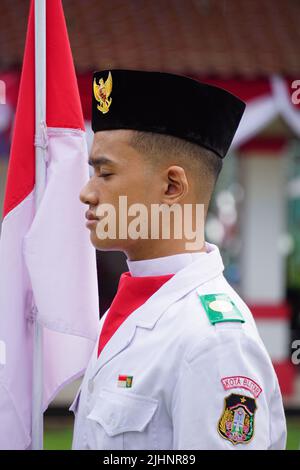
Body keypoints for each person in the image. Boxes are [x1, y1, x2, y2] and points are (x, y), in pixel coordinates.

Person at [69, 69, 287, 450]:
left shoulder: (214, 339)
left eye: (104, 172)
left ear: (172, 186)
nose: (87, 193)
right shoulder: (129, 310)